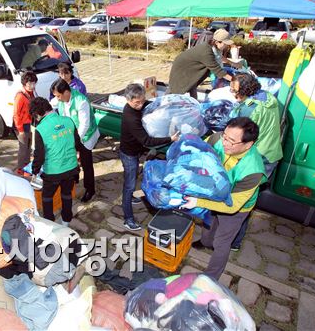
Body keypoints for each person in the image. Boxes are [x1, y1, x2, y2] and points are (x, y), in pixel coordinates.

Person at [182, 117, 266, 281]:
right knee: (209, 222)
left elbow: (232, 205)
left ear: (248, 144)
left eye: (232, 141)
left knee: (222, 241)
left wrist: (198, 201)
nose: (225, 143)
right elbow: (201, 152)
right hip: (214, 192)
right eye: (225, 136)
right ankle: (206, 242)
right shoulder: (217, 138)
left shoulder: (253, 170)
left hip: (237, 207)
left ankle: (211, 277)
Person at [228, 73, 283, 251]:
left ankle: (234, 241)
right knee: (249, 197)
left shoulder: (250, 109)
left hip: (257, 159)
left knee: (241, 200)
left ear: (245, 90)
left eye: (235, 91)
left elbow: (237, 133)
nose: (233, 94)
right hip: (271, 153)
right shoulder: (267, 97)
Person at [120, 83, 180, 230]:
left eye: (142, 100)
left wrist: (164, 103)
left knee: (134, 176)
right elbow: (147, 140)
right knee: (129, 185)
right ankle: (127, 219)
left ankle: (132, 198)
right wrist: (169, 139)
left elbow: (148, 103)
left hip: (136, 150)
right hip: (129, 154)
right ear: (128, 100)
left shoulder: (139, 104)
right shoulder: (130, 117)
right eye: (137, 103)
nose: (140, 105)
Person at [30, 97, 81, 225]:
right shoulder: (68, 121)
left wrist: (35, 170)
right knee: (66, 194)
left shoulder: (41, 129)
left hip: (53, 171)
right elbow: (77, 143)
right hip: (71, 168)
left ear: (38, 114)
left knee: (47, 197)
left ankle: (50, 222)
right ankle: (66, 221)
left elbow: (39, 155)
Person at [51, 78, 99, 202]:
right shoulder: (61, 99)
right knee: (71, 158)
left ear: (66, 92)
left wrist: (74, 141)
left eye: (58, 96)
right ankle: (75, 177)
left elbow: (84, 125)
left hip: (85, 136)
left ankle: (90, 189)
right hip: (71, 134)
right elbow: (51, 104)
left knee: (86, 163)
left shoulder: (81, 101)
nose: (57, 99)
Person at [168, 29, 236, 98]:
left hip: (191, 70)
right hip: (182, 69)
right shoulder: (206, 52)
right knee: (175, 90)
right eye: (225, 44)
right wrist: (236, 81)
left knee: (192, 84)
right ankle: (162, 104)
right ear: (217, 42)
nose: (226, 46)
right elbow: (219, 71)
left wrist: (233, 63)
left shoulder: (215, 49)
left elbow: (220, 58)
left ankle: (195, 105)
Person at [14, 71, 37, 174]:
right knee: (23, 149)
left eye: (34, 83)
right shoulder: (20, 96)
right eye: (30, 83)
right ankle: (20, 169)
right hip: (22, 125)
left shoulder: (31, 93)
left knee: (28, 147)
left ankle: (27, 166)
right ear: (24, 83)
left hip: (29, 123)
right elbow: (16, 114)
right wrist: (20, 130)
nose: (32, 86)